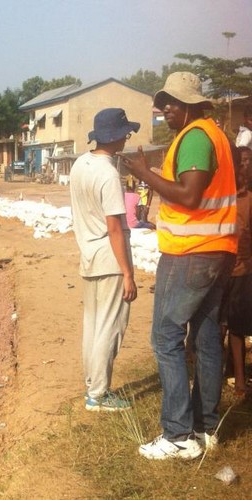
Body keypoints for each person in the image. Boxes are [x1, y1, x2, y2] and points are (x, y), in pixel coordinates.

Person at [124, 72, 237, 460]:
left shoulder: (194, 139)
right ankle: (206, 426)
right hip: (216, 250)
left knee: (165, 337)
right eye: (163, 101)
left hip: (191, 252)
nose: (164, 108)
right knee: (205, 338)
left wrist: (144, 175)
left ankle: (177, 435)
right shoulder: (216, 135)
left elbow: (189, 197)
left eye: (172, 101)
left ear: (191, 104)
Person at [70, 108, 138, 413]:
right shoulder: (109, 174)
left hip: (88, 255)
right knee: (110, 328)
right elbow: (114, 228)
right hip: (110, 259)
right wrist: (128, 273)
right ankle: (98, 394)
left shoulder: (80, 165)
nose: (127, 136)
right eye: (125, 132)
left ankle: (92, 386)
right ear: (117, 136)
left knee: (93, 326)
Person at [222, 145, 252, 397]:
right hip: (219, 270)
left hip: (242, 272)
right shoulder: (220, 197)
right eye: (239, 163)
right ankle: (218, 372)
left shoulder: (249, 200)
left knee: (237, 327)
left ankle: (240, 380)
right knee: (216, 326)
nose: (243, 167)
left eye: (247, 163)